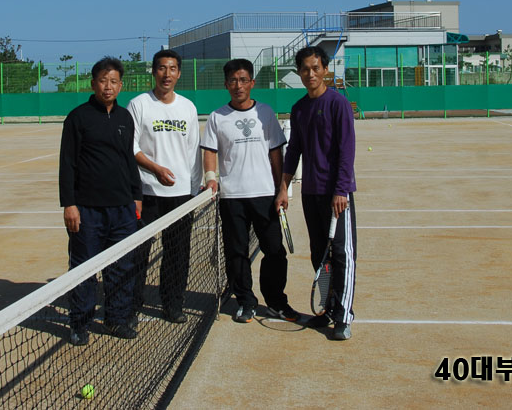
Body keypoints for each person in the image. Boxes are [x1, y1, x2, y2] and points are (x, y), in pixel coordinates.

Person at [201, 59, 300, 324]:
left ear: (252, 83)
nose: (238, 85)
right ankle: (245, 301)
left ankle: (276, 301)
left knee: (274, 251)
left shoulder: (265, 113)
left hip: (265, 195)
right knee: (236, 253)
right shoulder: (217, 117)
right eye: (233, 81)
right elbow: (210, 151)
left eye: (243, 80)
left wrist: (281, 188)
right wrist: (211, 178)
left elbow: (276, 153)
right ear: (226, 84)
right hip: (232, 197)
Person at [59, 57, 142, 346]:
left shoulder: (125, 118)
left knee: (122, 267)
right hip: (87, 211)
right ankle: (80, 323)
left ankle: (117, 319)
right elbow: (67, 163)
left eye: (114, 81)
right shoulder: (77, 118)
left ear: (121, 85)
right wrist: (69, 204)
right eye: (103, 81)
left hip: (123, 210)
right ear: (93, 84)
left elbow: (128, 160)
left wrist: (136, 196)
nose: (108, 86)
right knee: (83, 269)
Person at [277, 46, 357, 341]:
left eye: (315, 68)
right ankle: (327, 309)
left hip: (336, 195)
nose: (310, 74)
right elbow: (293, 151)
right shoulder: (299, 108)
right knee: (319, 255)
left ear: (325, 69)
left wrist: (341, 190)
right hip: (310, 193)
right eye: (305, 69)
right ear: (299, 72)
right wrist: (283, 187)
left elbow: (347, 150)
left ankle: (344, 316)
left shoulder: (338, 104)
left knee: (341, 254)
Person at [127, 49, 201, 324]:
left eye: (172, 69)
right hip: (147, 193)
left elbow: (193, 151)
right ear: (153, 72)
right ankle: (132, 306)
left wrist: (193, 191)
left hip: (180, 196)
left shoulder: (188, 107)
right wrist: (155, 169)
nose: (166, 74)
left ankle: (173, 305)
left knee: (177, 255)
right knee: (138, 254)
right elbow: (130, 147)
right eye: (161, 68)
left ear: (179, 73)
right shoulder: (139, 104)